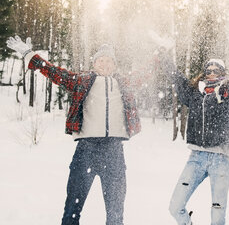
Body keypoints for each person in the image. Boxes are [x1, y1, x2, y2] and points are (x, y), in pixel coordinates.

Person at [6, 36, 141, 225]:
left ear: (115, 65)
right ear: (94, 64)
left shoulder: (123, 84)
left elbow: (148, 73)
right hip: (87, 150)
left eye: (110, 60)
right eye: (101, 60)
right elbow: (54, 73)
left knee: (116, 214)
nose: (105, 64)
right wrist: (30, 55)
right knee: (72, 209)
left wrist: (164, 53)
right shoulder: (83, 81)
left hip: (114, 152)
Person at [161, 45, 229, 225]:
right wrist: (165, 56)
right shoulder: (195, 93)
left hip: (221, 159)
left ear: (222, 72)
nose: (211, 72)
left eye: (216, 69)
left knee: (218, 215)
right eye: (208, 70)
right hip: (196, 157)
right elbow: (178, 79)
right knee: (175, 206)